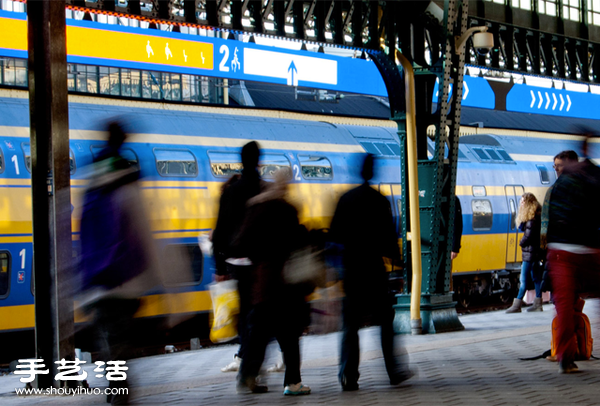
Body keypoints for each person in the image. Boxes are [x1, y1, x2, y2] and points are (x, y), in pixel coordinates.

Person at [79, 121, 160, 405]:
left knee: (108, 338)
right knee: (120, 339)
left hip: (97, 280)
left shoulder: (92, 180)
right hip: (124, 279)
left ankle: (116, 388)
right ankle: (119, 391)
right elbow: (143, 232)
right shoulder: (128, 179)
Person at [330, 154, 410, 391]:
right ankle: (394, 371)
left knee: (350, 327)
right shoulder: (379, 201)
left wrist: (334, 273)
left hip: (352, 271)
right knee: (386, 323)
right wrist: (400, 262)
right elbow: (388, 239)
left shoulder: (345, 200)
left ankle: (348, 375)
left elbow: (334, 238)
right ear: (372, 172)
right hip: (374, 272)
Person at [235, 169, 311, 396]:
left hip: (262, 281)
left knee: (257, 333)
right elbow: (297, 245)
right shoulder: (288, 209)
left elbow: (241, 244)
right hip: (285, 282)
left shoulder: (255, 207)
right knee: (290, 335)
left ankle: (247, 374)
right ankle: (293, 383)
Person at [547, 133, 600, 373]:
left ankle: (566, 358)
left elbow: (549, 223)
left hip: (560, 252)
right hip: (586, 250)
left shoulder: (558, 186)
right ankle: (567, 356)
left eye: (559, 166)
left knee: (565, 308)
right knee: (567, 308)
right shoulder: (590, 179)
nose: (558, 170)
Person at [212, 142, 263, 373]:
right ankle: (253, 362)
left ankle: (246, 365)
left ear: (241, 161)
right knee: (262, 312)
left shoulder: (231, 191)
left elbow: (220, 231)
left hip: (238, 263)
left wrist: (220, 267)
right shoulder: (264, 188)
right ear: (259, 160)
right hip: (263, 262)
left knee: (245, 312)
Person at [506, 193, 542, 313]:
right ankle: (538, 303)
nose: (521, 204)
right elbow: (522, 227)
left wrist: (521, 243)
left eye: (523, 202)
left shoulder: (532, 220)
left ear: (528, 203)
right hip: (534, 253)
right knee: (536, 278)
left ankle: (517, 304)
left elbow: (528, 236)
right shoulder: (533, 217)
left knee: (524, 279)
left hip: (530, 253)